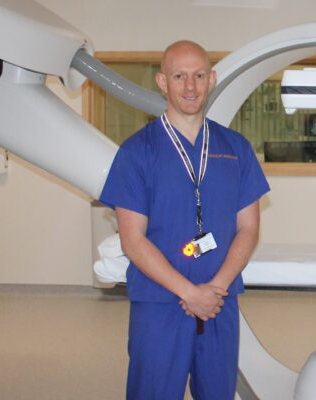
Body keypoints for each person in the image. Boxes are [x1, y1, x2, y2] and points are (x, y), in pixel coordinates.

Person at [98, 40, 270, 399]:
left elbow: (249, 229)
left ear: (212, 79)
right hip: (160, 303)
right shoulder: (136, 152)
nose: (190, 87)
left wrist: (214, 290)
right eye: (179, 76)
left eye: (198, 76)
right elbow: (133, 239)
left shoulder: (236, 148)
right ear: (162, 82)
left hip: (219, 304)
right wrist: (190, 293)